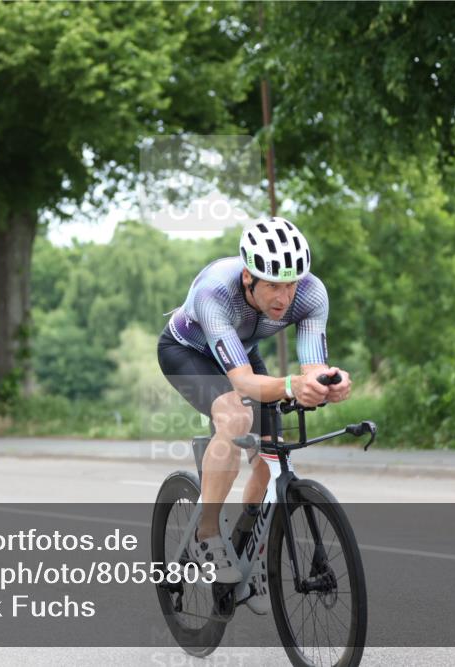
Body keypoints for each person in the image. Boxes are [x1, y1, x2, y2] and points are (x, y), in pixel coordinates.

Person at [157, 216, 351, 612]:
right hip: (187, 352)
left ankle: (247, 543)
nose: (286, 296)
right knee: (234, 416)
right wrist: (291, 385)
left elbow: (311, 368)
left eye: (292, 283)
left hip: (240, 349)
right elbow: (244, 384)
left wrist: (329, 383)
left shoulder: (311, 294)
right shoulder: (217, 292)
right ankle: (207, 533)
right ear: (249, 277)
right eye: (275, 285)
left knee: (272, 449)